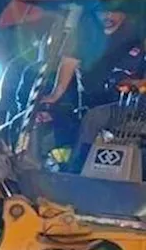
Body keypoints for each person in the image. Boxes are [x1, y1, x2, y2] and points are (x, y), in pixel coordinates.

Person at [41, 10, 143, 170]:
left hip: (131, 103)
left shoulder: (138, 30)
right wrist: (55, 95)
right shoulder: (86, 30)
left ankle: (77, 170)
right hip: (89, 101)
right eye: (103, 11)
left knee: (95, 118)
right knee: (53, 125)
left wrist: (138, 83)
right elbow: (69, 61)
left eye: (114, 12)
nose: (108, 16)